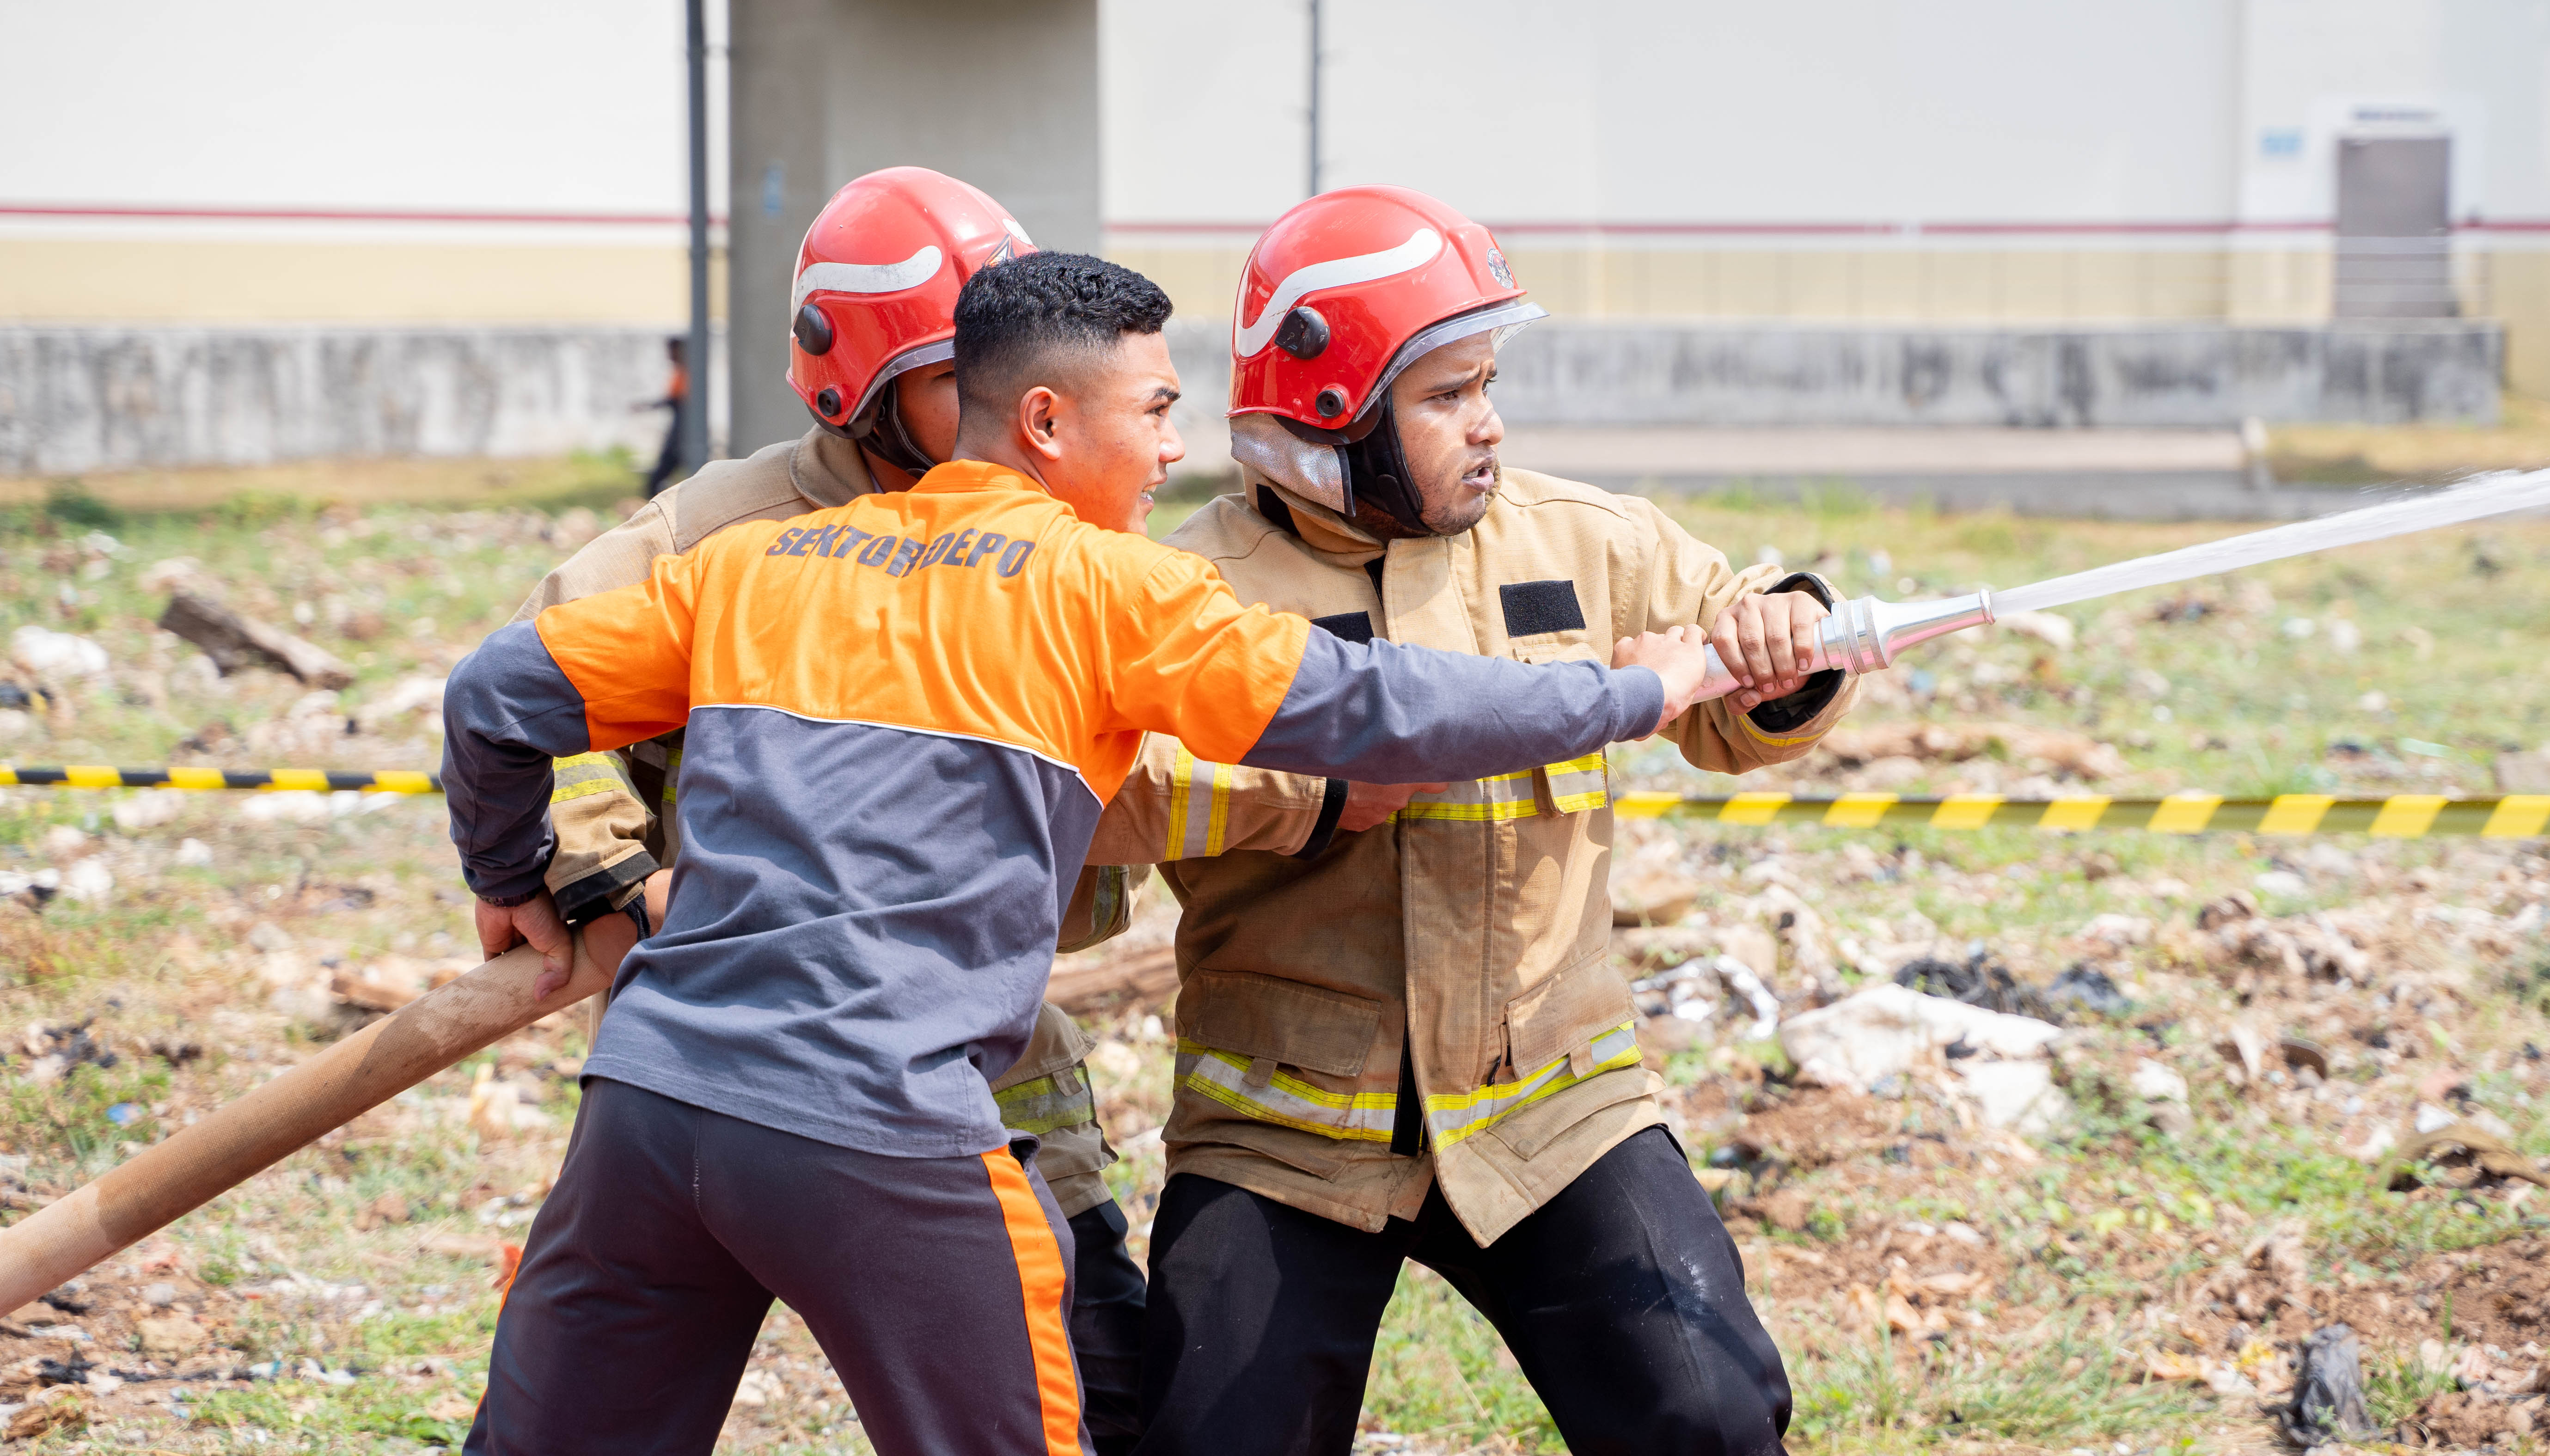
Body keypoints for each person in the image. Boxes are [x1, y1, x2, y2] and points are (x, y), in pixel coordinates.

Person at [441, 248, 1719, 1456]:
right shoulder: (1106, 592)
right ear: (1047, 422)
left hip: (649, 1115)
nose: (1176, 447)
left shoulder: (753, 565)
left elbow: (494, 696)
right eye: (1156, 410)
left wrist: (507, 875)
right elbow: (1384, 707)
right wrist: (1635, 694)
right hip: (884, 1129)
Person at [1088, 187, 1857, 1456]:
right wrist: (1322, 786)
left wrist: (1789, 638)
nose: (1488, 423)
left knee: (1710, 1418)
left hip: (1555, 1114)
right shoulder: (1184, 591)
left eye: (1488, 383)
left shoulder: (1587, 541)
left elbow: (1737, 661)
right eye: (1447, 396)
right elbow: (1109, 791)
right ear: (1334, 411)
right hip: (1286, 1135)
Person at [504, 167, 1156, 1451]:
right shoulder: (717, 532)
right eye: (958, 374)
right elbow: (526, 693)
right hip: (747, 1046)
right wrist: (607, 879)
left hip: (984, 1056)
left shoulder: (1061, 529)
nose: (1008, 399)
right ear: (856, 384)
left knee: (1105, 1388)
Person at [640, 334, 692, 496]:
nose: (669, 355)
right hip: (679, 426)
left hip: (684, 429)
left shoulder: (688, 372)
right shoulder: (680, 371)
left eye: (672, 351)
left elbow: (678, 401)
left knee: (666, 466)